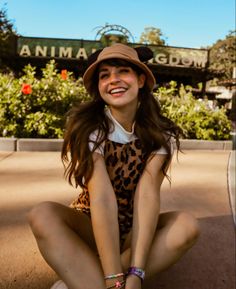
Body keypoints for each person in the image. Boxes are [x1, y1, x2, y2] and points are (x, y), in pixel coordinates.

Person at [28, 43, 200, 289]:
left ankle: (85, 277)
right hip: (91, 223)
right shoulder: (90, 129)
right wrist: (112, 279)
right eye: (104, 75)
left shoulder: (160, 133)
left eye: (122, 71)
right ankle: (106, 280)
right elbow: (102, 199)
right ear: (99, 87)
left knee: (187, 225)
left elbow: (148, 195)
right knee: (42, 214)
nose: (113, 80)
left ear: (141, 80)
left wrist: (137, 273)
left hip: (134, 233)